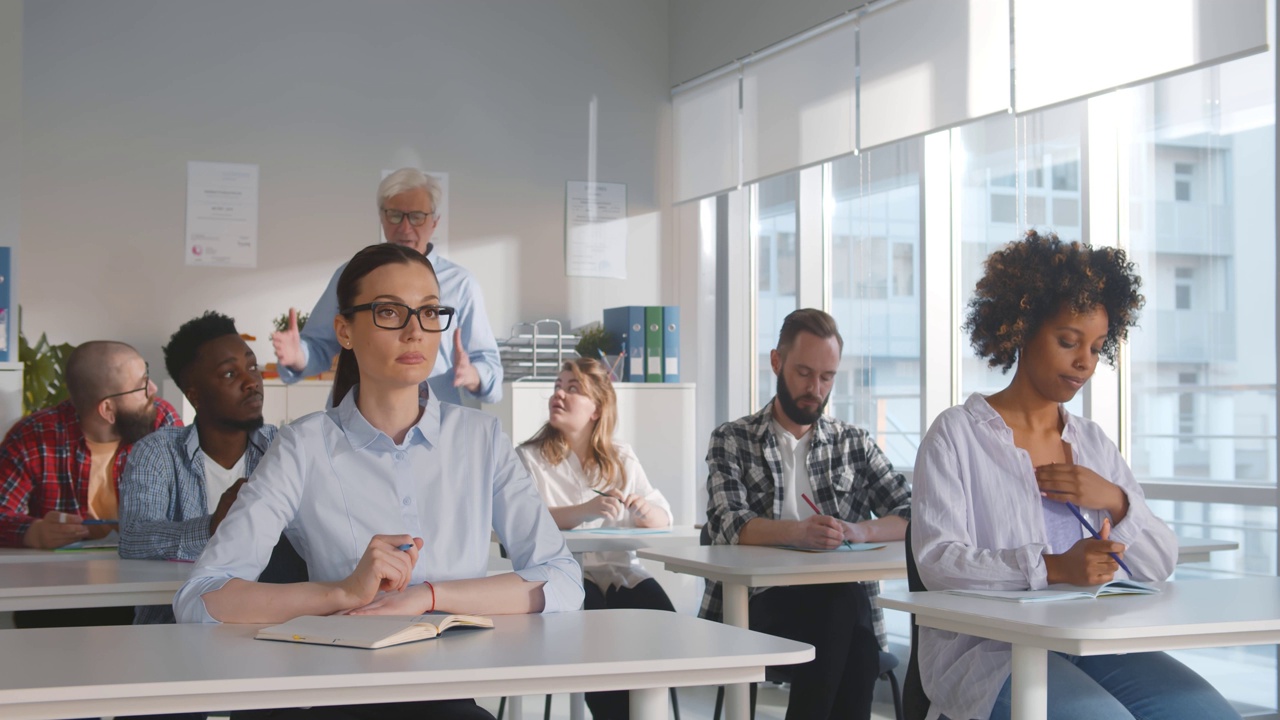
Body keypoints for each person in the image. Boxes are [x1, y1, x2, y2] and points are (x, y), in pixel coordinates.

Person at [174, 243, 581, 720]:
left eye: (430, 312)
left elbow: (562, 579)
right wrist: (343, 593)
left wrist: (427, 598)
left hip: (452, 693)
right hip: (343, 695)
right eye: (390, 312)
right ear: (344, 331)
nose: (415, 331)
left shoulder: (480, 438)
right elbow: (202, 597)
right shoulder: (302, 445)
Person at [911, 230, 1239, 720]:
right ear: (1020, 329)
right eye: (1068, 341)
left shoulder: (1092, 442)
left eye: (1097, 346)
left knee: (1208, 714)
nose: (1084, 361)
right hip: (990, 652)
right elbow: (938, 562)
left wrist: (1116, 500)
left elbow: (1158, 563)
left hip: (1091, 639)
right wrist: (1055, 567)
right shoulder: (956, 435)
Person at [702, 308, 911, 720]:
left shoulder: (854, 443)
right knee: (850, 621)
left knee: (844, 612)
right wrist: (796, 533)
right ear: (776, 362)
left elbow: (913, 514)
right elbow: (728, 524)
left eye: (827, 377)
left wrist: (858, 530)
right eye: (804, 373)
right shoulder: (733, 439)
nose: (815, 388)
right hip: (756, 607)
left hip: (840, 611)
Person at [119, 311, 307, 629]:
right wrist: (211, 526)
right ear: (194, 394)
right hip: (171, 632)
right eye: (230, 375)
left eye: (252, 367)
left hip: (270, 627)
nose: (251, 382)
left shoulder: (284, 447)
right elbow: (133, 538)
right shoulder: (157, 451)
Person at [517, 357, 675, 720]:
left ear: (596, 409)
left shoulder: (621, 457)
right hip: (565, 580)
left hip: (621, 573)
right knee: (598, 649)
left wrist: (645, 513)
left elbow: (663, 516)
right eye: (558, 385)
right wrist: (585, 510)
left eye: (573, 389)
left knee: (668, 630)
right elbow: (528, 522)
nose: (559, 393)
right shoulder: (528, 458)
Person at [271, 168, 503, 406]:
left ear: (434, 222)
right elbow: (319, 345)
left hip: (437, 421)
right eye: (394, 215)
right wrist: (299, 356)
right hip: (356, 420)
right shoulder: (352, 275)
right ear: (382, 217)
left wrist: (473, 374)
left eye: (416, 216)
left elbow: (491, 372)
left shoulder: (461, 283)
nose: (404, 228)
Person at [0, 340, 181, 628]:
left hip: (145, 589)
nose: (153, 391)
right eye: (142, 384)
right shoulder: (33, 436)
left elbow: (190, 503)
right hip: (58, 598)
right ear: (107, 409)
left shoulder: (160, 420)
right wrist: (32, 532)